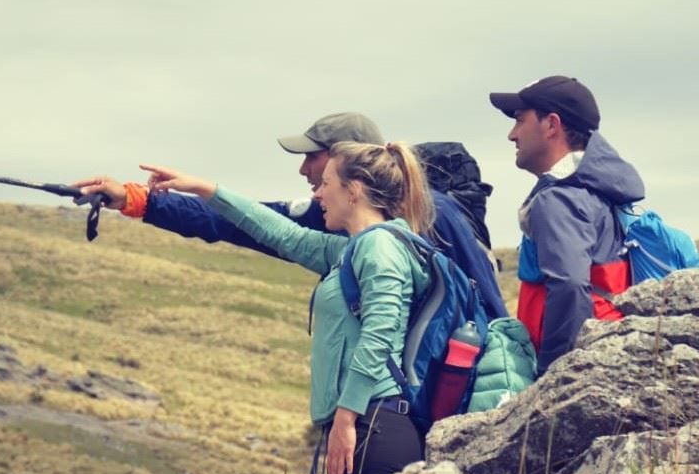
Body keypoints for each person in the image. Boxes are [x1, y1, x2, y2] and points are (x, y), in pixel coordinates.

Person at [132, 141, 431, 474]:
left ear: (352, 191)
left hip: (374, 426)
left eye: (327, 183)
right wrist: (206, 190)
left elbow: (379, 337)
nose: (318, 193)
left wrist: (346, 417)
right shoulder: (353, 249)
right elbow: (282, 234)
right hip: (367, 423)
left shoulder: (380, 247)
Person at [73, 113, 508, 320]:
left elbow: (486, 310)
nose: (303, 171)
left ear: (346, 161)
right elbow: (246, 221)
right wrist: (136, 199)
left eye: (312, 158)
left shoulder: (434, 214)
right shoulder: (341, 219)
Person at [489, 76, 645, 375]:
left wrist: (555, 375)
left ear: (551, 125)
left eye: (520, 121)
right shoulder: (598, 189)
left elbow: (570, 286)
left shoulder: (557, 200)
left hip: (584, 362)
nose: (512, 135)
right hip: (608, 348)